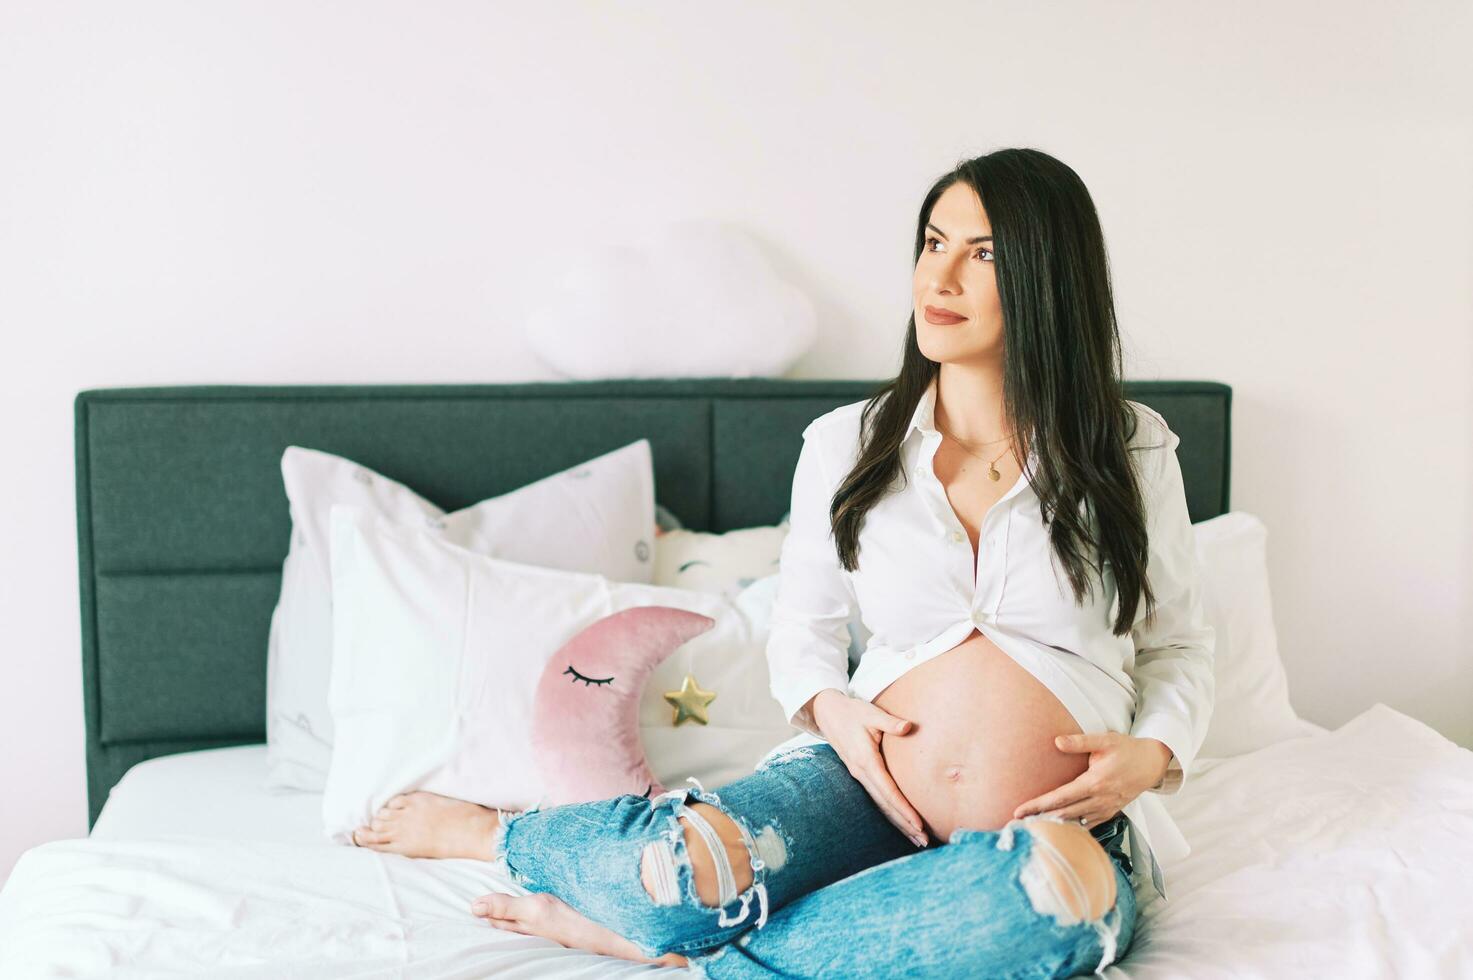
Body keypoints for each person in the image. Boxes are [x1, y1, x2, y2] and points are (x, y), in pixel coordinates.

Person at [350, 147, 1215, 979]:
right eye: (932, 243)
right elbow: (803, 629)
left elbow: (1177, 645)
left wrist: (1155, 754)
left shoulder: (1131, 448)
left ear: (1046, 275)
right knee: (676, 872)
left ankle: (685, 950)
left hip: (1059, 827)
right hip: (859, 794)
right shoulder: (846, 443)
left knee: (1043, 907)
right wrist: (828, 708)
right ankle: (503, 837)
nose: (937, 278)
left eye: (981, 253)